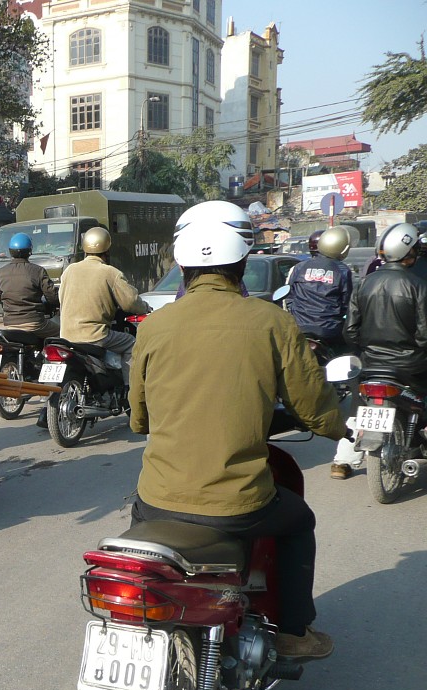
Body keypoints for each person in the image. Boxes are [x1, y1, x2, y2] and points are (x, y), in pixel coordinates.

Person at [129, 201, 346, 661]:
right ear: (243, 260)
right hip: (238, 504)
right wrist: (343, 428)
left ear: (182, 263)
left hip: (155, 499)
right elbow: (313, 409)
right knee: (298, 521)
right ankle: (291, 632)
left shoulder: (154, 325)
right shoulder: (272, 322)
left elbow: (138, 418)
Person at [285, 226, 361, 480]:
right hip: (329, 333)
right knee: (355, 368)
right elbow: (347, 304)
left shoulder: (299, 267)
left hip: (298, 329)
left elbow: (291, 298)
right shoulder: (342, 271)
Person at [58, 226, 150, 386]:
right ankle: (131, 391)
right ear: (107, 250)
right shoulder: (110, 273)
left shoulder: (69, 270)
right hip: (95, 336)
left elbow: (61, 298)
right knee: (131, 343)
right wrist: (145, 308)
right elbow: (130, 302)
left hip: (66, 336)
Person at [344, 222, 427, 389]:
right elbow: (423, 334)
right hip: (411, 366)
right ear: (408, 252)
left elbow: (350, 330)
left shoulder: (364, 283)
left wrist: (365, 351)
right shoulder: (418, 285)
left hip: (370, 364)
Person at [0, 233, 60, 339]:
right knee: (62, 333)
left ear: (10, 251)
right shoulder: (38, 271)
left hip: (10, 324)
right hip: (34, 323)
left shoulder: (1, 272)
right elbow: (52, 296)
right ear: (30, 251)